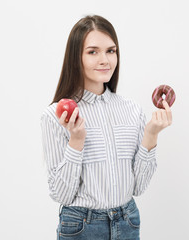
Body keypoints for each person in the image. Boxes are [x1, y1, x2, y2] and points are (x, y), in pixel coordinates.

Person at [40, 15, 172, 240]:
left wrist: (151, 134)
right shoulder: (55, 115)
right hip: (81, 225)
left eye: (111, 51)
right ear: (76, 58)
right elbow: (61, 193)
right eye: (93, 52)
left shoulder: (132, 110)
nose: (105, 60)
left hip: (127, 221)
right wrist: (76, 141)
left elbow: (138, 188)